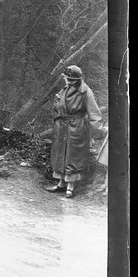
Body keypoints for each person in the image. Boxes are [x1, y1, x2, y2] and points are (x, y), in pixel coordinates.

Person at [44, 65, 103, 198]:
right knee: (60, 154)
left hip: (77, 127)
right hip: (62, 126)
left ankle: (70, 187)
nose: (68, 82)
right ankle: (60, 184)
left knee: (73, 156)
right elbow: (58, 104)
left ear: (78, 79)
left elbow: (94, 112)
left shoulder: (86, 91)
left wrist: (98, 130)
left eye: (71, 80)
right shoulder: (64, 89)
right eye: (67, 79)